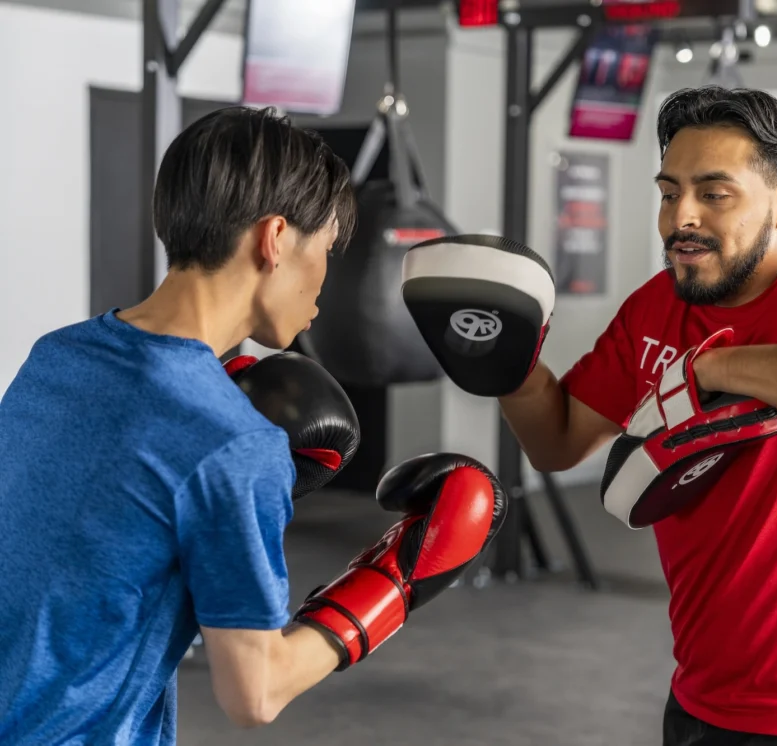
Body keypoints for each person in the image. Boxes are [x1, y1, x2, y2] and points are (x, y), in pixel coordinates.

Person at [0, 106, 505, 745]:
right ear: (274, 239)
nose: (323, 286)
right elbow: (254, 692)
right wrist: (396, 580)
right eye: (325, 250)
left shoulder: (60, 352)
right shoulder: (230, 441)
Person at [500, 87, 777, 744]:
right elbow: (558, 441)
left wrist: (713, 368)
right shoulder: (656, 307)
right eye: (669, 193)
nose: (682, 218)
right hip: (699, 695)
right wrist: (506, 368)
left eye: (714, 193)